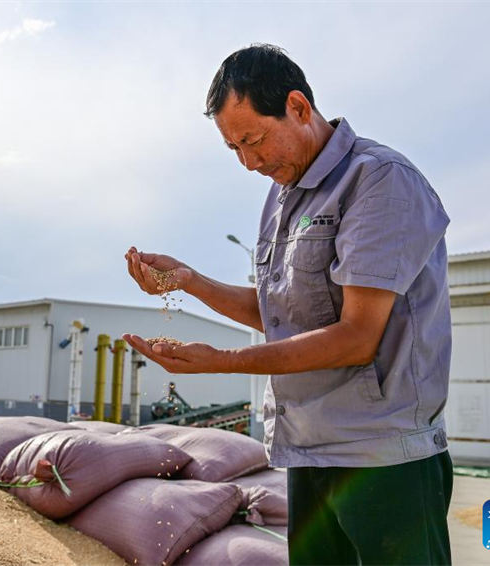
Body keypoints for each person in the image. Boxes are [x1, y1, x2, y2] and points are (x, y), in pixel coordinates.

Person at [123, 44, 453, 565]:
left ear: (298, 107)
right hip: (309, 449)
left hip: (382, 458)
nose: (249, 162)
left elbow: (356, 336)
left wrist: (224, 363)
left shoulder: (379, 179)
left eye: (253, 140)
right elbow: (280, 313)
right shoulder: (283, 198)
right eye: (234, 149)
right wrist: (189, 281)